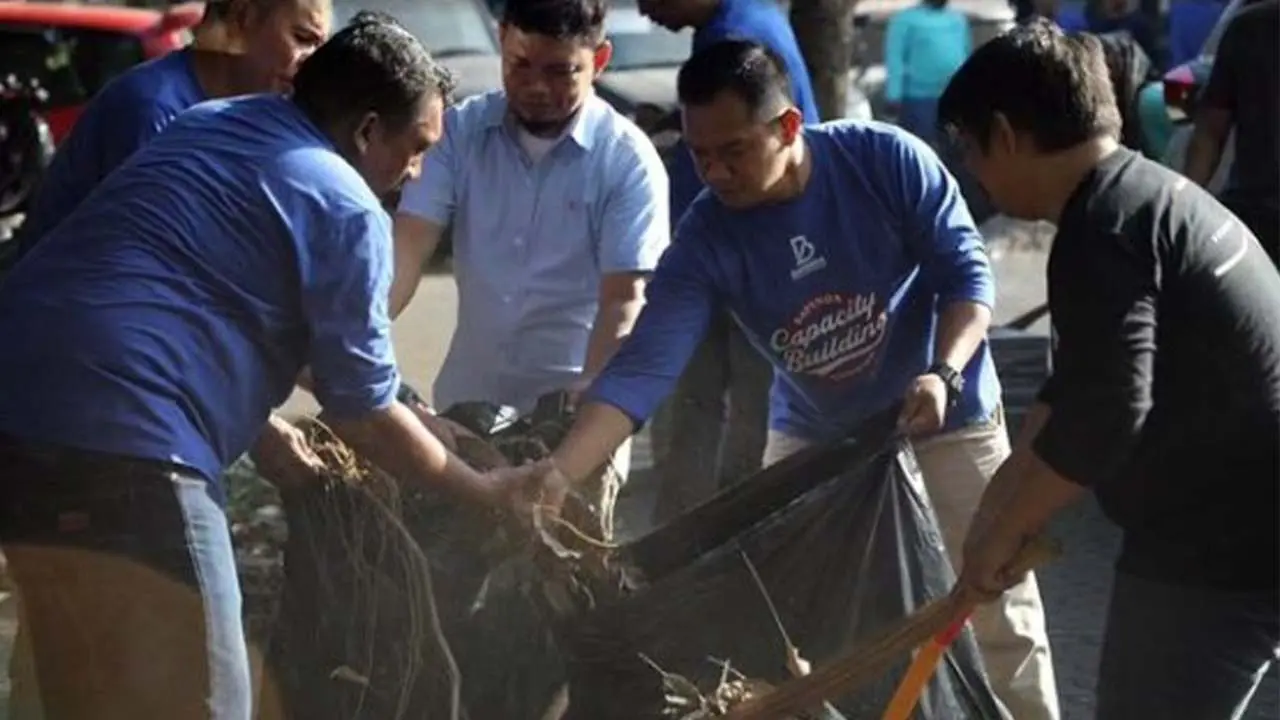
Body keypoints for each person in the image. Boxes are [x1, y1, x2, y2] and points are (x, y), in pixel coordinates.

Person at [514, 39, 1062, 719]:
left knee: (999, 609)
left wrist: (942, 373)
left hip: (947, 415)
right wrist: (561, 473)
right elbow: (648, 363)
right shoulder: (707, 235)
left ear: (789, 128)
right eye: (699, 154)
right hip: (815, 438)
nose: (715, 172)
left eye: (734, 151)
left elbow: (967, 277)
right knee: (796, 625)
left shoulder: (882, 160)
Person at [0, 21, 522, 719]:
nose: (418, 171)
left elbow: (292, 335)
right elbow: (359, 413)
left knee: (84, 697)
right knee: (210, 702)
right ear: (368, 130)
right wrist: (482, 489)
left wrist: (422, 421)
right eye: (418, 148)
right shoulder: (347, 205)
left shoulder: (216, 124)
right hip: (134, 445)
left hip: (17, 427)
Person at [939, 20, 1280, 719]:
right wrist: (992, 515)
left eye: (970, 150)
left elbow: (1105, 415)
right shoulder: (1138, 196)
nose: (974, 172)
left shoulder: (1105, 229)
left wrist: (1004, 538)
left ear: (1004, 134)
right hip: (1229, 518)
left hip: (1221, 544)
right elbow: (1072, 391)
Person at [392, 0, 669, 537]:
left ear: (601, 58)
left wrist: (586, 410)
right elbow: (407, 247)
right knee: (447, 579)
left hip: (575, 423)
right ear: (501, 41)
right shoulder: (459, 134)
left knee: (560, 592)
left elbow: (623, 301)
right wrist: (365, 336)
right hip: (463, 416)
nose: (537, 86)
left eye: (560, 70)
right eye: (521, 65)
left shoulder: (627, 161)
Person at [638, 0, 820, 526]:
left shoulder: (734, 35)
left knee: (718, 412)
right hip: (764, 252)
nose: (646, 10)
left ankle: (709, 540)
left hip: (744, 260)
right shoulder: (752, 15)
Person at [10, 0, 331, 265]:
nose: (313, 63)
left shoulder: (245, 113)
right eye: (302, 38)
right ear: (243, 19)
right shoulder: (153, 110)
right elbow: (155, 261)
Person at [1184, 0, 1278, 266]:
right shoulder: (1248, 28)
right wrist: (1185, 206)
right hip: (1256, 216)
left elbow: (1210, 132)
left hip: (1253, 216)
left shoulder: (1247, 25)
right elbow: (1210, 131)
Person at [884, 0, 971, 149]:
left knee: (954, 153)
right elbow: (895, 58)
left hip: (954, 98)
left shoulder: (958, 19)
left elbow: (966, 54)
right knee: (921, 151)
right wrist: (893, 94)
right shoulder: (905, 20)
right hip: (918, 99)